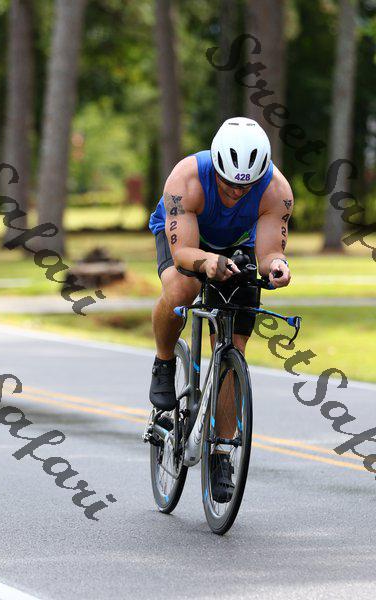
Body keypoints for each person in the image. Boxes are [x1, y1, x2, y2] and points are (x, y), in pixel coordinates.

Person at [148, 116, 293, 501]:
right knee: (183, 287)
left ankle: (222, 452)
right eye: (228, 184)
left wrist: (277, 266)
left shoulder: (277, 191)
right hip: (185, 239)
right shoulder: (186, 179)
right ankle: (164, 361)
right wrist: (208, 261)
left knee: (234, 348)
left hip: (238, 246)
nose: (235, 192)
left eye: (245, 187)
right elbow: (184, 251)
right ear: (215, 166)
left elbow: (268, 252)